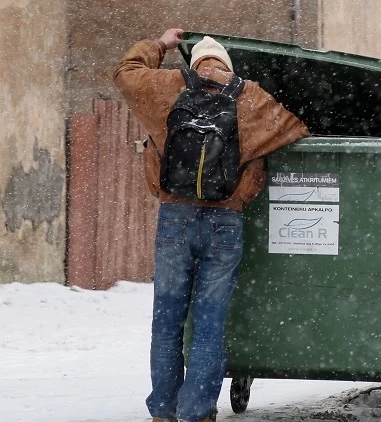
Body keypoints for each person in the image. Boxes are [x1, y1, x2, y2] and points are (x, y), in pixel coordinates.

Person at [114, 28, 310, 422]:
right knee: (209, 320)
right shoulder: (251, 97)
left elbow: (125, 71)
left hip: (175, 218)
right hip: (225, 221)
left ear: (194, 63)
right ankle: (197, 410)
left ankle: (164, 410)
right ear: (227, 64)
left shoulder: (167, 86)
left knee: (167, 319)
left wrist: (162, 45)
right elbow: (296, 129)